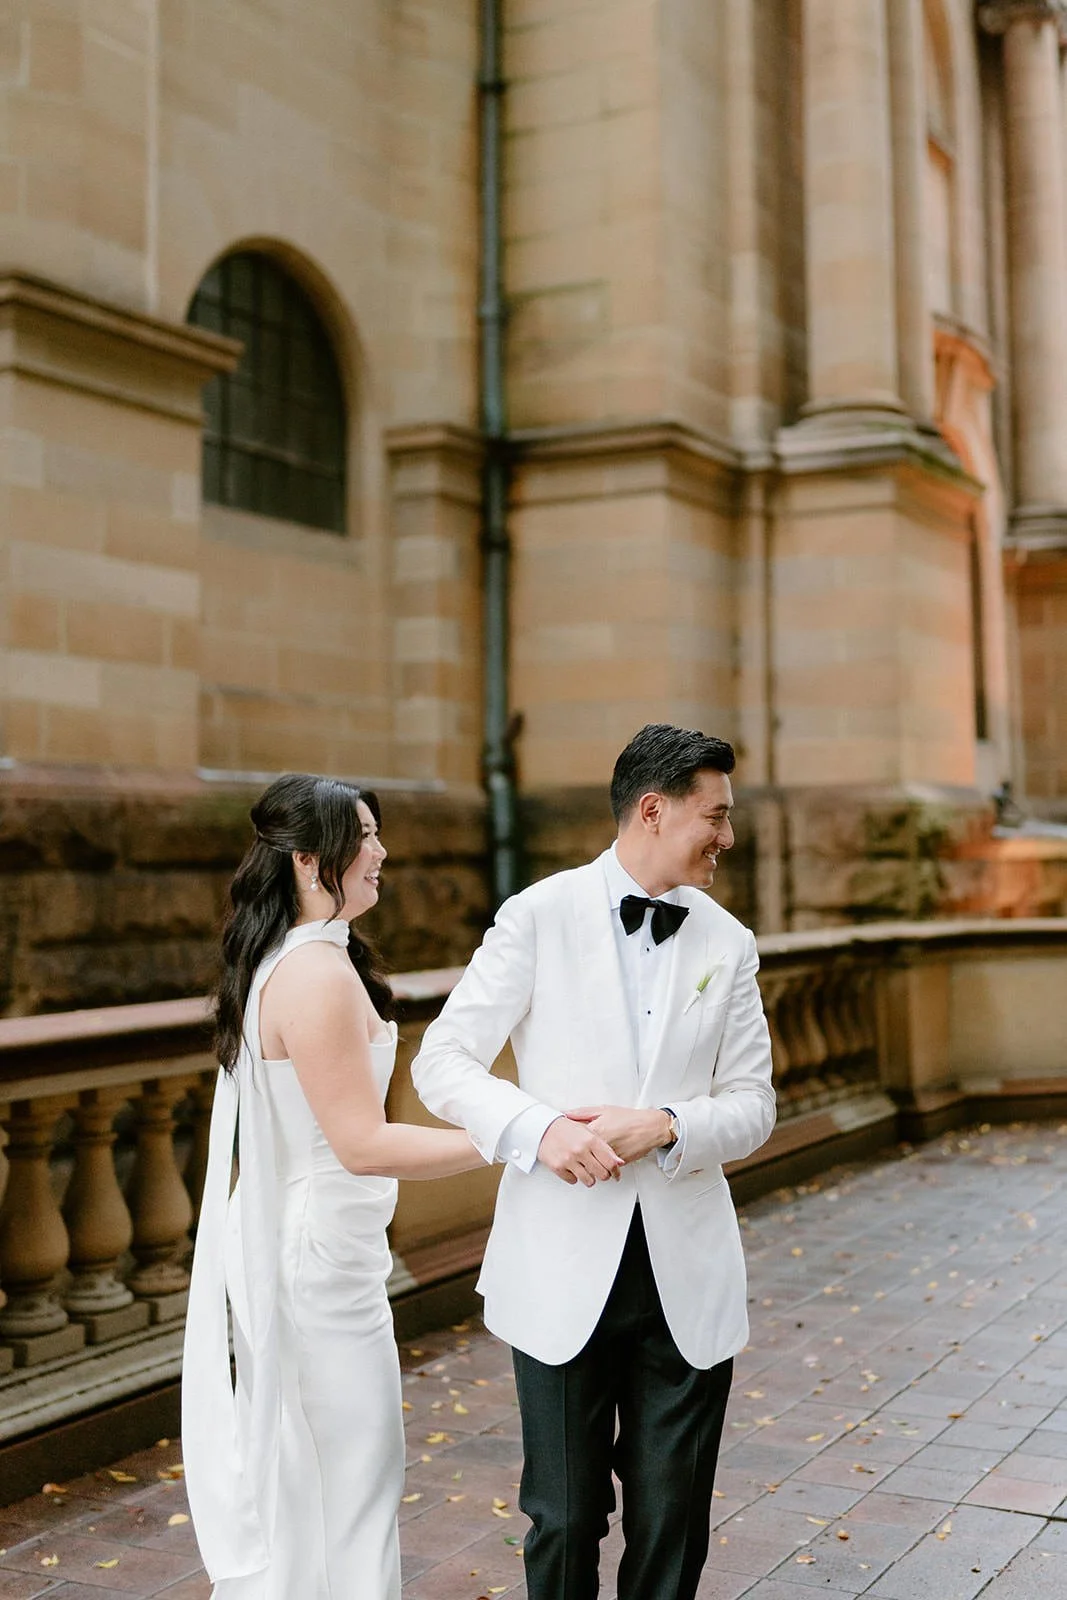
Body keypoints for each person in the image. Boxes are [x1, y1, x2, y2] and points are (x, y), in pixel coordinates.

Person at [411, 723, 776, 1600]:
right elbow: (443, 1061)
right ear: (653, 810)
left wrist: (664, 1123)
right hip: (559, 1267)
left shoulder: (727, 945)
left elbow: (754, 1107)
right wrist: (539, 1130)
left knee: (670, 1519)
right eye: (715, 815)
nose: (727, 836)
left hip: (684, 1277)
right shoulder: (537, 915)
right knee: (565, 1518)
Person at [182, 773, 484, 1600]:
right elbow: (359, 1144)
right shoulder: (314, 976)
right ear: (311, 859)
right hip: (315, 1255)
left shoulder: (303, 957)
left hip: (317, 1246)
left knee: (320, 1477)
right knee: (354, 1478)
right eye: (364, 836)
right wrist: (504, 1139)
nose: (382, 851)